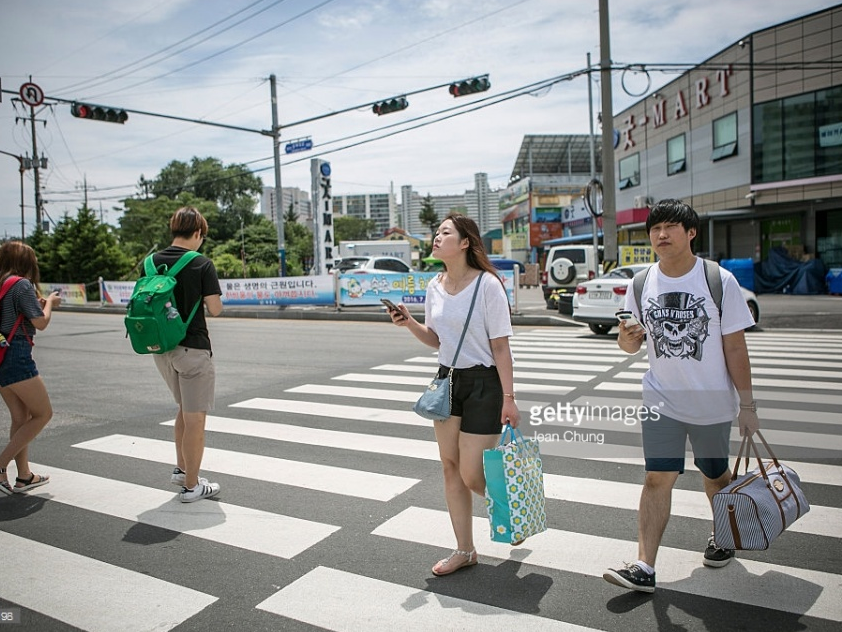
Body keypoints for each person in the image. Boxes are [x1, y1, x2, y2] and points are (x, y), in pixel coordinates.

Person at [603, 199, 760, 593]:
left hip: (710, 403)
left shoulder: (718, 280)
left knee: (715, 477)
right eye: (655, 228)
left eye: (670, 227)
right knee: (657, 477)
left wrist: (748, 405)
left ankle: (723, 537)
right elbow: (630, 347)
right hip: (661, 401)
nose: (661, 235)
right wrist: (626, 339)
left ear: (691, 233)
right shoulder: (641, 283)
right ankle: (644, 566)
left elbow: (736, 348)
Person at [388, 213, 520, 576]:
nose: (436, 237)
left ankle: (512, 506)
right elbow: (437, 340)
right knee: (449, 469)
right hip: (447, 381)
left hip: (484, 384)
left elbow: (501, 347)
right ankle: (465, 549)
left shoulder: (488, 285)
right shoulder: (434, 286)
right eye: (436, 232)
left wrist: (509, 398)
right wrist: (410, 323)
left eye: (445, 232)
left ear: (465, 243)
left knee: (472, 473)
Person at [151, 207, 224, 503]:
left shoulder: (150, 262)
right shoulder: (201, 264)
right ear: (197, 233)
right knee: (196, 419)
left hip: (161, 349)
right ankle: (192, 486)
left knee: (183, 409)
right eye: (202, 236)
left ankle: (182, 470)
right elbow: (216, 308)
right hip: (192, 349)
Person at [0, 241, 60, 496]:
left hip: (1, 357)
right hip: (17, 357)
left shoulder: (3, 284)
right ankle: (1, 465)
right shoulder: (22, 284)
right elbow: (41, 322)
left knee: (20, 418)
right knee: (43, 414)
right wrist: (49, 304)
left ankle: (24, 475)